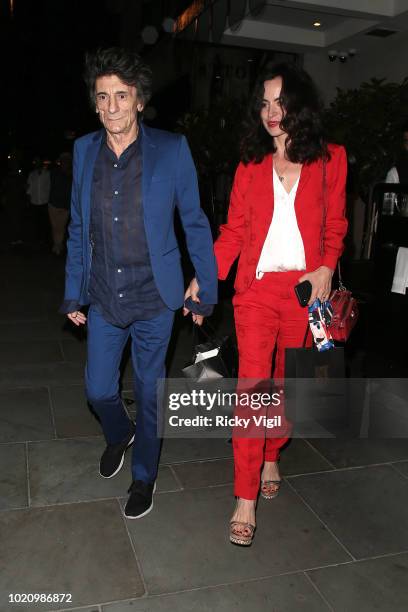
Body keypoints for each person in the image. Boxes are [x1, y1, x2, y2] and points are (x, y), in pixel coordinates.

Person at [186, 63, 348, 545]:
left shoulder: (332, 159)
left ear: (300, 105)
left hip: (305, 293)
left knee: (286, 385)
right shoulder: (250, 163)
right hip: (255, 293)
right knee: (254, 390)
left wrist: (325, 267)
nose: (271, 112)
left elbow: (336, 224)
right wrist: (206, 278)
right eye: (264, 102)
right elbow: (234, 231)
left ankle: (273, 452)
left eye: (280, 102)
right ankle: (244, 496)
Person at [60, 47, 217, 519]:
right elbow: (77, 228)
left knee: (150, 392)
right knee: (98, 390)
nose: (111, 107)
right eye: (102, 97)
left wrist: (204, 285)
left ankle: (144, 475)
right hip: (105, 296)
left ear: (140, 101)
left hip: (156, 298)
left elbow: (194, 221)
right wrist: (74, 289)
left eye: (121, 96)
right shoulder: (84, 150)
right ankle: (118, 433)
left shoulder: (172, 150)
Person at [48, 152, 72, 255]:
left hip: (65, 205)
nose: (65, 162)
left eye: (67, 160)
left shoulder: (73, 174)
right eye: (63, 160)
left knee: (61, 227)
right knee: (55, 226)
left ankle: (57, 246)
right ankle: (57, 245)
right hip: (53, 204)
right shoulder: (54, 173)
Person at [26, 157, 51, 244]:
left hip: (45, 201)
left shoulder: (47, 174)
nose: (37, 163)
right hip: (34, 202)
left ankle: (45, 240)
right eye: (35, 162)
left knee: (45, 222)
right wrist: (28, 201)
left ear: (41, 163)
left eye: (38, 161)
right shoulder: (31, 174)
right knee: (35, 222)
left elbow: (50, 187)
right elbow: (29, 188)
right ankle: (37, 240)